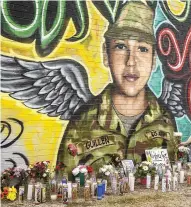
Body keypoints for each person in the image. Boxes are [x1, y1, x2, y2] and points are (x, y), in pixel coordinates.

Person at [56, 2, 176, 178]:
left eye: (142, 49)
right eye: (121, 47)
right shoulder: (84, 121)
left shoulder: (165, 120)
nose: (131, 61)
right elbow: (64, 181)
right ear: (106, 55)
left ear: (153, 60)